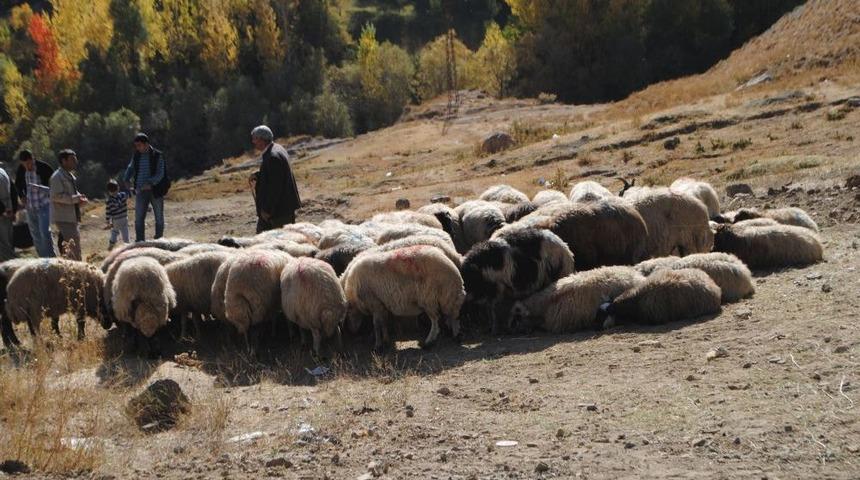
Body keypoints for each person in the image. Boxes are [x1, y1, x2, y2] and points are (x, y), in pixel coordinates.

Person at [250, 125, 301, 233]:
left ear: (262, 140)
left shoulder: (273, 156)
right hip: (280, 209)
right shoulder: (277, 148)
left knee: (280, 242)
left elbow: (275, 187)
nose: (253, 142)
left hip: (278, 212)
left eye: (255, 139)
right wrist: (259, 175)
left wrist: (267, 210)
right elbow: (276, 176)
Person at [123, 133, 167, 242]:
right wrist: (126, 179)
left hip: (155, 190)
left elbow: (160, 173)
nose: (137, 148)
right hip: (140, 191)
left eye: (139, 145)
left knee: (159, 217)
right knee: (138, 219)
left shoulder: (157, 155)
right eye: (136, 146)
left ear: (146, 144)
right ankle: (140, 241)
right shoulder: (136, 156)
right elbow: (130, 168)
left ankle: (159, 240)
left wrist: (151, 183)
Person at [15, 149, 55, 257]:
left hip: (44, 206)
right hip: (30, 207)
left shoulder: (44, 168)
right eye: (25, 164)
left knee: (45, 233)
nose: (28, 166)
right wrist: (22, 196)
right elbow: (18, 184)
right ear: (21, 163)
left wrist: (40, 188)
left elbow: (54, 187)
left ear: (33, 158)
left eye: (30, 162)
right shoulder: (21, 170)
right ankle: (42, 260)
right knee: (35, 236)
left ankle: (51, 258)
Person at [50, 149, 87, 260]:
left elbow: (71, 193)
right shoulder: (57, 177)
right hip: (64, 218)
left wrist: (80, 198)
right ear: (63, 161)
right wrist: (75, 199)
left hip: (72, 217)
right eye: (72, 159)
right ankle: (76, 272)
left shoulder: (69, 175)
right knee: (73, 249)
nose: (75, 161)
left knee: (73, 247)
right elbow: (56, 196)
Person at [104, 179, 132, 249]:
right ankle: (127, 245)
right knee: (125, 232)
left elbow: (108, 212)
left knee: (115, 232)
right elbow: (129, 194)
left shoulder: (109, 201)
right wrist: (131, 189)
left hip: (116, 220)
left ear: (109, 191)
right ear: (118, 188)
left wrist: (108, 221)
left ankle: (111, 244)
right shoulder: (123, 195)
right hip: (124, 218)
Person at [0, 164, 16, 261]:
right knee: (8, 242)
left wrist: (2, 211)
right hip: (8, 210)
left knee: (3, 246)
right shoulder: (3, 171)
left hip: (2, 213)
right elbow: (14, 191)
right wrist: (13, 209)